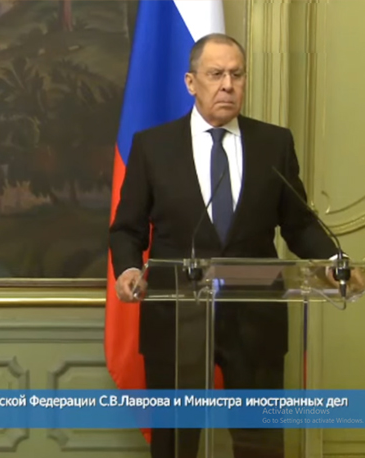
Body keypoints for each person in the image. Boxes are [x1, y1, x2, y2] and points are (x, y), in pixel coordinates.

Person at [109, 33, 363, 458]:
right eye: (216, 74)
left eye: (237, 75)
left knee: (259, 443)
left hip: (255, 318)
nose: (228, 85)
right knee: (175, 444)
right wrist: (129, 269)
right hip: (177, 318)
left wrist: (335, 261)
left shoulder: (274, 144)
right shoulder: (153, 147)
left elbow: (299, 223)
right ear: (191, 82)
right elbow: (126, 229)